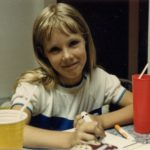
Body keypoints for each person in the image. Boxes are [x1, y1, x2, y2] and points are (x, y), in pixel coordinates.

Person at [11, 2, 133, 149]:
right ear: (44, 54)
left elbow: (143, 107)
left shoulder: (100, 79)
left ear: (85, 42)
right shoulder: (33, 87)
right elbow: (13, 130)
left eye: (73, 43)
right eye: (55, 49)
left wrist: (100, 120)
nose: (67, 56)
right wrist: (71, 139)